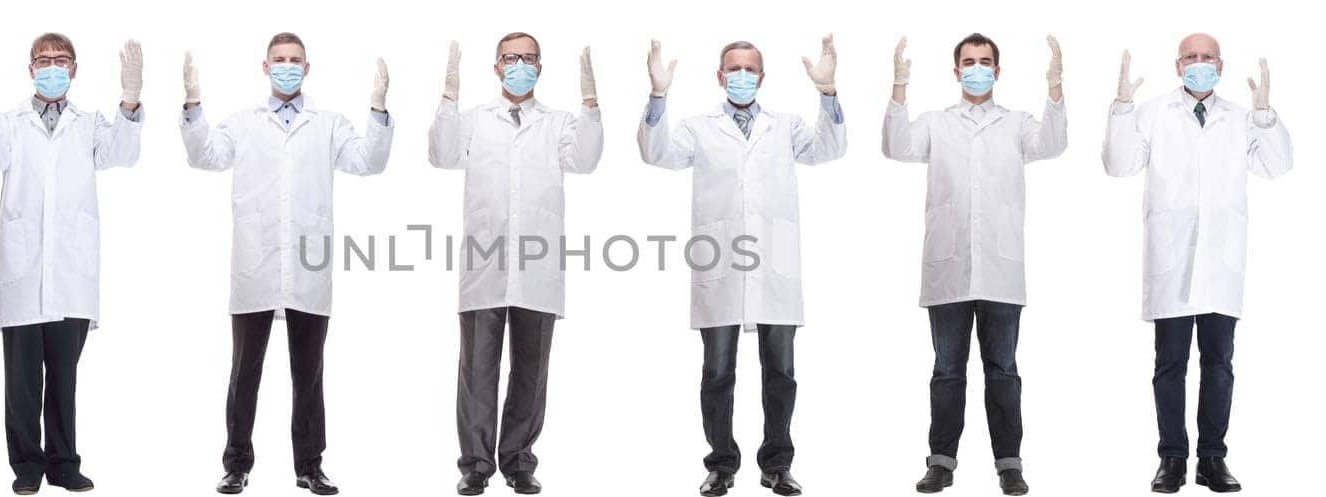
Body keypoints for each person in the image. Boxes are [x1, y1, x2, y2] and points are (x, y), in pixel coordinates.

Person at [181, 32, 394, 496]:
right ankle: (236, 464)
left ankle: (309, 466)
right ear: (264, 67)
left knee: (309, 374)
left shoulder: (329, 123)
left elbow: (368, 163)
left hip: (307, 269)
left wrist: (377, 111)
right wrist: (194, 108)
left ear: (307, 68)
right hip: (255, 267)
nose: (287, 66)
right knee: (244, 374)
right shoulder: (242, 122)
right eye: (279, 60)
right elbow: (205, 157)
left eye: (295, 60)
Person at [636, 36, 847, 497]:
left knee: (782, 373)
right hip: (722, 267)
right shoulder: (698, 127)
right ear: (719, 76)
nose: (742, 76)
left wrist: (828, 93)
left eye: (750, 69)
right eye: (734, 68)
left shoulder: (786, 126)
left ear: (763, 78)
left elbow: (828, 151)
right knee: (717, 372)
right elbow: (657, 155)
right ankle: (721, 464)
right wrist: (658, 96)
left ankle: (777, 464)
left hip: (775, 266)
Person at [1103, 33, 1292, 495]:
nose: (1199, 63)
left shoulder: (1241, 118)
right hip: (1171, 260)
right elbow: (1117, 164)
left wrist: (1266, 116)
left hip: (1221, 262)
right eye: (1191, 57)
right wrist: (1122, 108)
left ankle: (1212, 459)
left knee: (1219, 364)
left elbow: (1278, 165)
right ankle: (1172, 459)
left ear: (1221, 65)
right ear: (1177, 65)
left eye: (1207, 57)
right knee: (1169, 364)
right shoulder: (1152, 113)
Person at [882, 33, 1068, 496]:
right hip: (948, 270)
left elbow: (1053, 143)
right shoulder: (935, 124)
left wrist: (1055, 89)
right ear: (956, 71)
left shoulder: (1017, 123)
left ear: (998, 72)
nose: (977, 68)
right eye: (969, 61)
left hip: (1001, 271)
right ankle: (941, 462)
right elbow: (895, 146)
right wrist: (899, 86)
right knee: (947, 369)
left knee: (1003, 369)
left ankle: (1009, 463)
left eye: (985, 62)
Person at [0, 33, 144, 495]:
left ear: (75, 69)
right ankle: (27, 467)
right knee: (22, 383)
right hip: (23, 274)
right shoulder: (9, 123)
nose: (52, 67)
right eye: (43, 60)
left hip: (72, 275)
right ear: (29, 69)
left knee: (64, 380)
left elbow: (122, 155)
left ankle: (64, 464)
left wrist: (130, 98)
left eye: (61, 60)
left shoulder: (90, 125)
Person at [428, 32, 603, 496]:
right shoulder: (472, 121)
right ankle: (477, 465)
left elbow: (585, 160)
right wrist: (448, 96)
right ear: (496, 66)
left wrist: (590, 101)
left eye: (527, 58)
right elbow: (441, 156)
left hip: (538, 269)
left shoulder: (558, 122)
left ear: (540, 67)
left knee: (531, 371)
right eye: (510, 58)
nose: (518, 65)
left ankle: (519, 462)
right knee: (477, 372)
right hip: (484, 267)